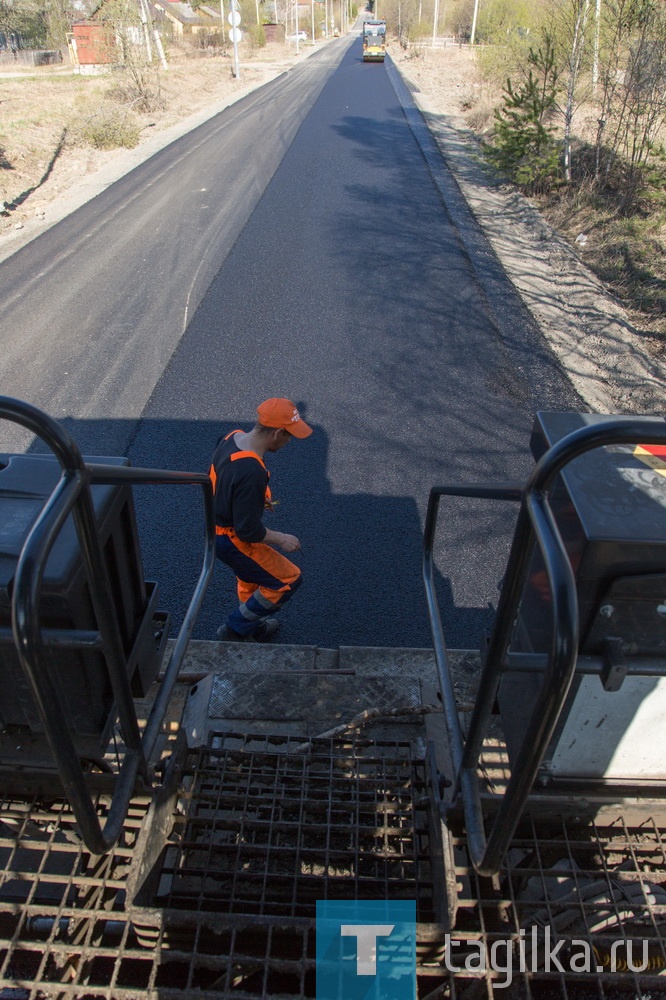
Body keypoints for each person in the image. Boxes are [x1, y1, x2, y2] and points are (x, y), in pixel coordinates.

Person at [210, 398, 312, 642]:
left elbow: (227, 479)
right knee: (288, 580)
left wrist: (253, 499)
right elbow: (248, 531)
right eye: (288, 437)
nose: (288, 442)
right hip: (233, 539)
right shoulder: (251, 471)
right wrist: (282, 539)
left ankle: (251, 624)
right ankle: (235, 629)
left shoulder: (231, 438)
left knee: (250, 578)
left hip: (216, 527)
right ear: (277, 433)